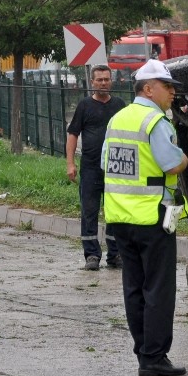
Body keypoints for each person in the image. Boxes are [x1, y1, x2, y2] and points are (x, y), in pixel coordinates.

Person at [102, 59, 188, 376]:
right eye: (168, 87)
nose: (172, 93)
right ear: (148, 88)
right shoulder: (156, 122)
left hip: (119, 217)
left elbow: (105, 164)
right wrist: (184, 159)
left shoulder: (118, 119)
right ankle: (154, 356)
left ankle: (143, 352)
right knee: (159, 289)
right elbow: (170, 164)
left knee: (134, 288)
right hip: (152, 216)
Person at [66, 64, 126, 271]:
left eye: (106, 79)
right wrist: (70, 163)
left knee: (114, 213)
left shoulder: (120, 105)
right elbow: (73, 134)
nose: (103, 83)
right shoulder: (84, 106)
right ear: (92, 82)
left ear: (111, 81)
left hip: (115, 169)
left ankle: (115, 254)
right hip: (90, 168)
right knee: (89, 212)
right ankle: (91, 255)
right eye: (99, 80)